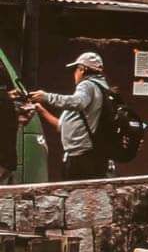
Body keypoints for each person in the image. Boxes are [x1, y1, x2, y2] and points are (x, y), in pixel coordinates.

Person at [20, 51, 116, 179]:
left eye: (76, 69)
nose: (74, 74)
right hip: (84, 156)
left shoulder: (87, 85)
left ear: (82, 69)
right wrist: (41, 110)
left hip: (83, 158)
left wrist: (47, 97)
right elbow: (62, 126)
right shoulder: (99, 91)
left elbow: (77, 102)